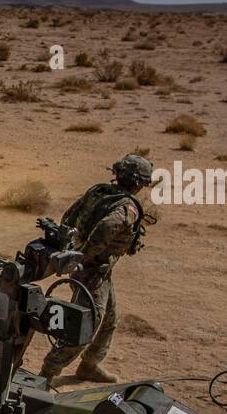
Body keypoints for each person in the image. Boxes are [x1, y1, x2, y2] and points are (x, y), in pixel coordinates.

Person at [40, 154, 155, 383]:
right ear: (139, 183)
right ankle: (47, 374)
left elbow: (69, 217)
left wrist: (74, 249)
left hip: (96, 269)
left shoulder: (98, 192)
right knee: (84, 326)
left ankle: (89, 365)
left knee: (109, 320)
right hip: (93, 271)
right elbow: (105, 230)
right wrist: (83, 257)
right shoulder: (127, 208)